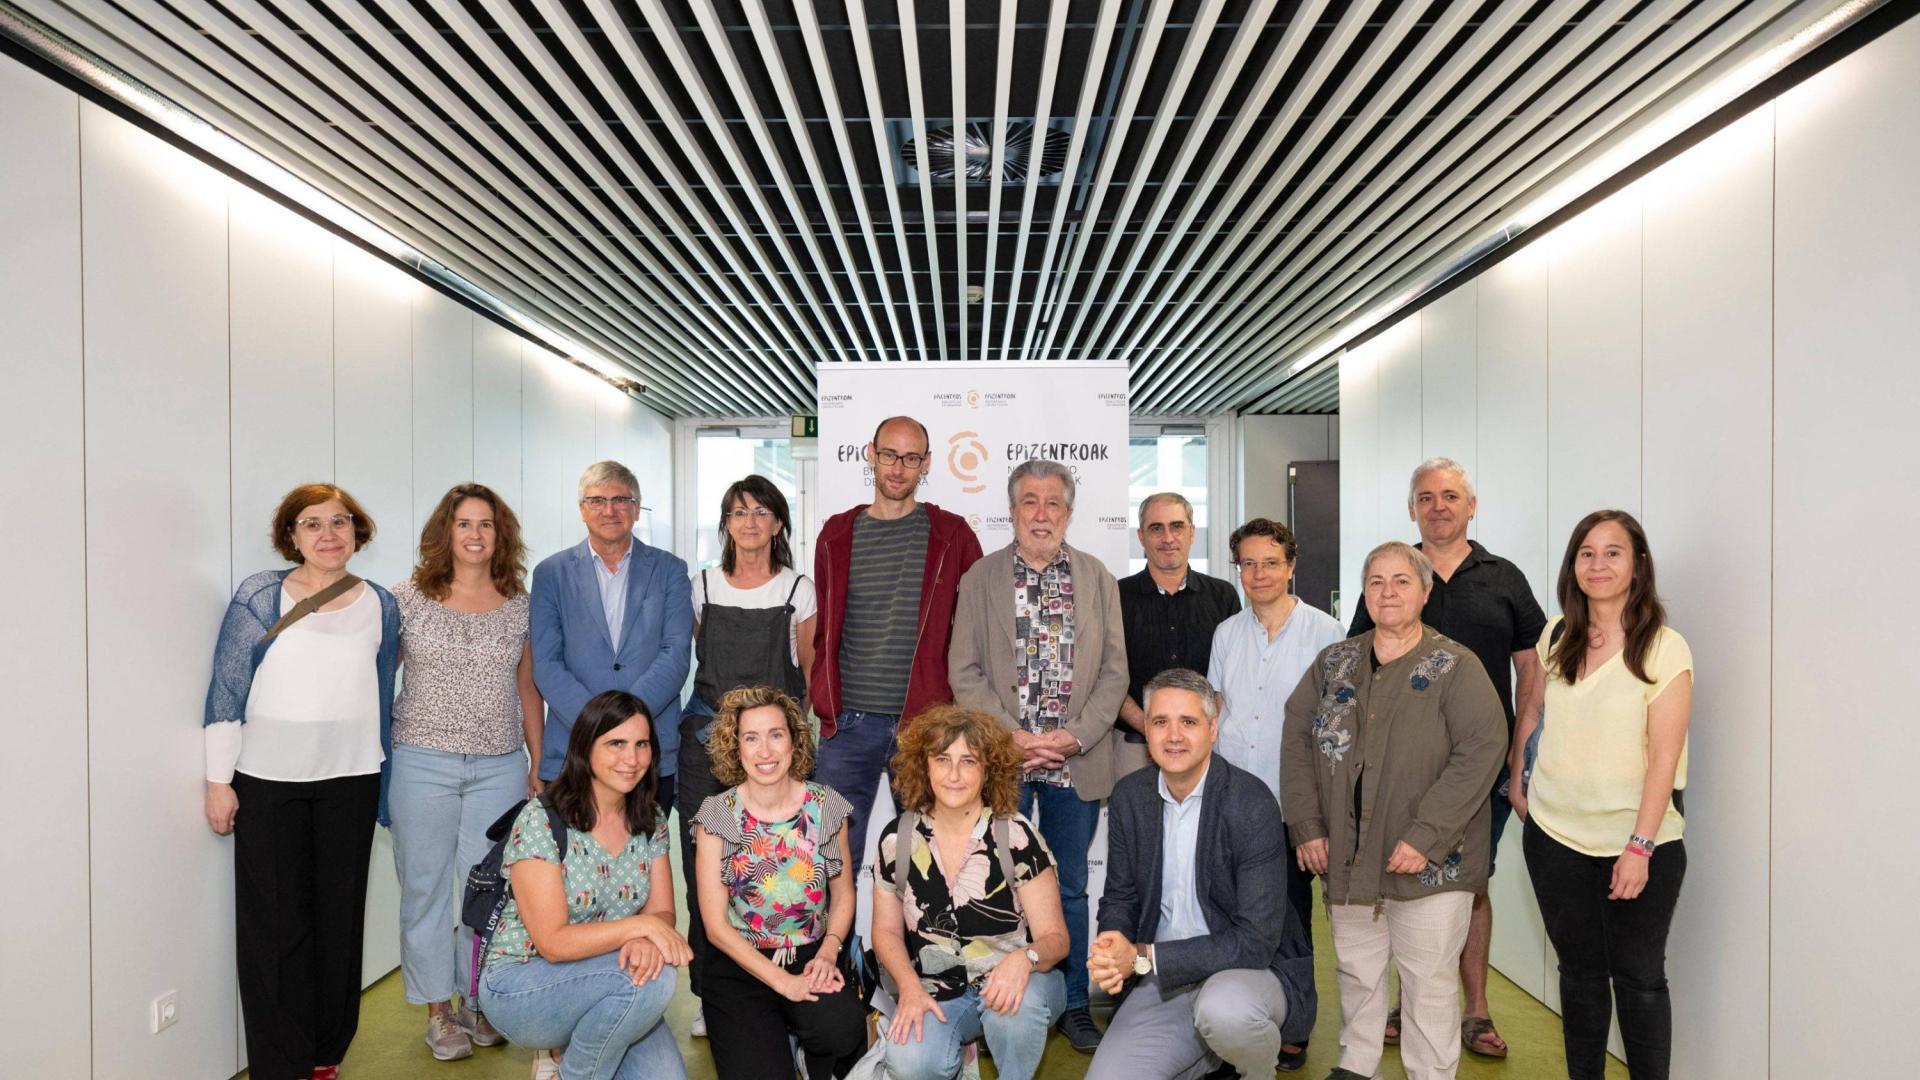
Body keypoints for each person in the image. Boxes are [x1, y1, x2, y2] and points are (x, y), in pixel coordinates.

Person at [1346, 457, 1546, 1058]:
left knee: (1470, 885)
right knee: (1408, 881)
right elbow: (1360, 663)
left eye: (1451, 495)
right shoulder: (1393, 573)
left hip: (1478, 769)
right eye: (1426, 497)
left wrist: (1517, 756)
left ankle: (1476, 1011)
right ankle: (1413, 1005)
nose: (1438, 505)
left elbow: (1531, 670)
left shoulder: (1505, 578)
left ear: (1471, 506)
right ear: (1412, 509)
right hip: (1401, 768)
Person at [1284, 541, 1507, 1080]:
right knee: (1358, 975)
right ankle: (1357, 1067)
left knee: (1428, 982)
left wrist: (1425, 835)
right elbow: (1295, 739)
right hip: (1348, 854)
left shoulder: (1456, 666)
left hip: (1432, 862)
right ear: (1365, 592)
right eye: (1377, 581)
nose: (1388, 592)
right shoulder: (1334, 662)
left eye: (1402, 581)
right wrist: (1307, 826)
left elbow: (1482, 750)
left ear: (1426, 592)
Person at [201, 483, 401, 1080]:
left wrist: (386, 783)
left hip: (352, 778)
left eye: (339, 522)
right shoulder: (261, 596)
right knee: (275, 928)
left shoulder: (380, 604)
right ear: (291, 536)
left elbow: (383, 694)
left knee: (339, 923)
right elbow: (227, 689)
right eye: (312, 524)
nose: (328, 534)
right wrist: (218, 780)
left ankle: (324, 1055)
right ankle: (278, 1064)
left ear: (357, 532)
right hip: (267, 780)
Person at [948, 458, 1130, 1053]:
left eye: (1054, 503)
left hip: (1076, 761)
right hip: (1005, 763)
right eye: (1030, 501)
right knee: (997, 884)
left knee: (1071, 886)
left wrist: (1072, 737)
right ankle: (997, 999)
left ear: (1070, 513)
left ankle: (1075, 1004)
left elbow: (1114, 673)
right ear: (1012, 509)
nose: (1042, 513)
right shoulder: (979, 579)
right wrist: (1013, 739)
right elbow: (964, 671)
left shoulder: (1099, 578)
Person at [1512, 511, 1691, 1080]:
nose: (1598, 564)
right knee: (1579, 974)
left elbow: (1665, 757)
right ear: (1573, 565)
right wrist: (1519, 771)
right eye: (1587, 553)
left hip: (1637, 843)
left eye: (1613, 552)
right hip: (1555, 836)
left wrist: (1639, 846)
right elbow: (1534, 707)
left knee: (1638, 978)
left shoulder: (1664, 648)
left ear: (1638, 564)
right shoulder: (1557, 634)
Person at [1084, 668, 1315, 1080]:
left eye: (1188, 722)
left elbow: (1256, 943)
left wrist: (1142, 956)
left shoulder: (1252, 802)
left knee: (1223, 1012)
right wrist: (1113, 943)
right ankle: (1206, 1059)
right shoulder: (1130, 797)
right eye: (1160, 722)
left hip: (1247, 977)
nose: (1173, 735)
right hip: (1164, 980)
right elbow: (1120, 897)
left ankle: (1253, 1072)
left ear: (1212, 728)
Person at [389, 483, 544, 1060]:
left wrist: (537, 763)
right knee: (426, 887)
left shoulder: (519, 602)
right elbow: (382, 678)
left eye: (486, 524)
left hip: (499, 764)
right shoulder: (407, 598)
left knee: (488, 890)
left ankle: (480, 1000)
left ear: (500, 535)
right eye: (464, 524)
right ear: (445, 533)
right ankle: (439, 1010)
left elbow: (528, 689)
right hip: (421, 760)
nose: (475, 534)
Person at [478, 690, 689, 1080]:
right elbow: (553, 944)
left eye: (642, 744)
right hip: (523, 984)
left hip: (609, 977)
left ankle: (574, 1053)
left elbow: (662, 912)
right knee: (653, 981)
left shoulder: (650, 817)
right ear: (585, 748)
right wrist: (640, 928)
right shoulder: (542, 819)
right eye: (616, 744)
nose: (632, 759)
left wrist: (646, 934)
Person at [810, 416, 983, 881]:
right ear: (871, 453)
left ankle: (917, 956)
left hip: (926, 727)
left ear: (926, 464)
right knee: (831, 861)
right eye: (889, 454)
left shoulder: (953, 535)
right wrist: (824, 703)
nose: (898, 468)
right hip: (848, 727)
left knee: (931, 863)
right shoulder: (836, 534)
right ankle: (835, 956)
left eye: (910, 458)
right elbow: (823, 625)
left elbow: (976, 628)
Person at [677, 474, 817, 1035]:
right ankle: (712, 995)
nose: (751, 521)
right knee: (704, 873)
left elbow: (807, 676)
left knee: (775, 869)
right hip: (707, 745)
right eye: (739, 512)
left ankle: (776, 986)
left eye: (761, 511)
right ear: (726, 524)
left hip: (773, 752)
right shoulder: (701, 587)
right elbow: (693, 660)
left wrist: (787, 744)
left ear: (778, 522)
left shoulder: (797, 589)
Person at [1205, 518, 1343, 1071]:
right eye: (1248, 563)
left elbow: (1337, 729)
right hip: (1233, 806)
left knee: (1290, 921)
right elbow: (1216, 713)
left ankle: (1294, 1028)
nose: (1258, 573)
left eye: (1270, 562)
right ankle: (1229, 1025)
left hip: (1294, 809)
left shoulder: (1326, 633)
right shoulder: (1225, 633)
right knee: (1229, 916)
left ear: (1291, 566)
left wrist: (1318, 819)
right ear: (1237, 569)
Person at [873, 705, 1072, 1080]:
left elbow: (1057, 940)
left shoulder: (1015, 835)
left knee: (1014, 1012)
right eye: (942, 759)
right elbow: (884, 932)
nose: (953, 774)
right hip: (941, 990)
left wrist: (1024, 958)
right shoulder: (896, 839)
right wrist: (909, 986)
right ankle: (958, 1051)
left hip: (1020, 984)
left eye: (968, 761)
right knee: (910, 1061)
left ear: (987, 771)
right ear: (924, 766)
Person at [691, 686, 866, 1079]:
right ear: (735, 747)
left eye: (776, 735)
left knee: (843, 1031)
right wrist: (782, 984)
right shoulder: (717, 817)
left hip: (810, 955)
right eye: (751, 738)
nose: (765, 751)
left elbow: (843, 894)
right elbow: (716, 928)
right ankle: (776, 1041)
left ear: (794, 740)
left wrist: (829, 951)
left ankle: (809, 1053)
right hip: (740, 963)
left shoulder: (826, 807)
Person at [531, 461, 693, 816]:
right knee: (569, 867)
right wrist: (600, 727)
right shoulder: (550, 574)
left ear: (636, 509)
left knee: (645, 863)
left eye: (621, 499)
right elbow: (545, 663)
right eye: (596, 500)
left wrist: (627, 726)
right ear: (581, 510)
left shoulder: (670, 571)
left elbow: (676, 654)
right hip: (574, 752)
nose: (609, 510)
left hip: (650, 755)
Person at [1116, 492, 1239, 745]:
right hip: (1135, 743)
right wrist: (1147, 726)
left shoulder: (1222, 596)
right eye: (1156, 528)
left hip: (1205, 743)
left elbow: (1234, 674)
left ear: (1192, 532)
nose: (1168, 538)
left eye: (1177, 526)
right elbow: (1105, 675)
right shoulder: (1115, 596)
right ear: (1141, 536)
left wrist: (1204, 728)